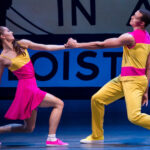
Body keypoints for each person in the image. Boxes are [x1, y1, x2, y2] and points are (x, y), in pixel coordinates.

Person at [66, 9, 150, 144]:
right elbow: (148, 66)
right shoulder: (147, 37)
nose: (132, 17)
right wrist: (146, 90)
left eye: (135, 16)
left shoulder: (130, 37)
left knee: (134, 117)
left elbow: (102, 44)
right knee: (97, 99)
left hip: (134, 82)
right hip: (124, 79)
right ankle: (97, 135)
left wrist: (76, 45)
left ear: (141, 23)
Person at [0, 26, 68, 146]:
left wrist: (65, 46)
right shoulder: (2, 58)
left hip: (29, 87)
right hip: (27, 89)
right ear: (2, 36)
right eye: (8, 31)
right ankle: (52, 139)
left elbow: (46, 47)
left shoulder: (22, 44)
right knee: (59, 103)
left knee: (28, 128)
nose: (12, 32)